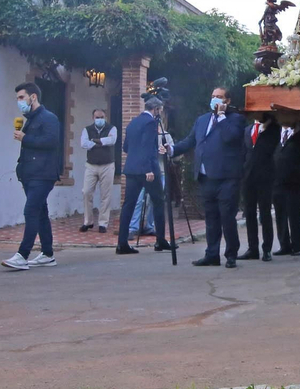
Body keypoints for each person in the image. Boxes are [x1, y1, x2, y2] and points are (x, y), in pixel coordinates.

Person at [165, 87, 247, 268]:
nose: (215, 100)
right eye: (213, 96)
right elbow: (190, 141)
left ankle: (231, 254)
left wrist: (222, 116)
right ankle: (212, 254)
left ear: (227, 101)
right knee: (211, 218)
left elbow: (231, 138)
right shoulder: (202, 120)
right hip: (206, 177)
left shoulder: (236, 119)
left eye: (219, 97)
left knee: (227, 218)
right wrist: (171, 150)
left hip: (227, 178)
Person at [2, 82, 60, 270]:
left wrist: (25, 138)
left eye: (21, 97)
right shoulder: (31, 119)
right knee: (41, 212)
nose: (19, 101)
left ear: (33, 97)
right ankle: (48, 254)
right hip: (30, 173)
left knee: (31, 211)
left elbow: (51, 141)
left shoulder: (48, 118)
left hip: (43, 174)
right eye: (17, 98)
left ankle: (22, 255)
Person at [117, 97, 173, 255]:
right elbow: (147, 146)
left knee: (128, 205)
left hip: (131, 169)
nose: (160, 113)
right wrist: (148, 169)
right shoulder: (151, 122)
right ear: (156, 109)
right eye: (160, 110)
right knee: (158, 202)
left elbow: (126, 147)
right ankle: (160, 240)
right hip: (147, 169)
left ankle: (122, 243)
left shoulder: (133, 122)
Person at [241, 113, 280, 261]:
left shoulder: (273, 129)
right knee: (249, 213)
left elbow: (268, 148)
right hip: (248, 176)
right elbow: (244, 152)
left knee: (265, 213)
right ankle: (253, 248)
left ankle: (267, 248)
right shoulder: (247, 129)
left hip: (265, 176)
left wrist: (264, 128)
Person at [272, 116, 300, 256]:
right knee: (280, 214)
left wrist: (299, 126)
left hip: (295, 181)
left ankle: (298, 244)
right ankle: (284, 245)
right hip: (277, 180)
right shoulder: (275, 134)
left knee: (294, 214)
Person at [78, 108, 117, 234]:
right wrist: (101, 142)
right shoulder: (87, 129)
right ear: (93, 118)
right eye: (97, 117)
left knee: (106, 195)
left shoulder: (112, 128)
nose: (99, 119)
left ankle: (103, 223)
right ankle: (88, 221)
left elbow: (112, 140)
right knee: (86, 192)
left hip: (107, 165)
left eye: (101, 117)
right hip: (91, 165)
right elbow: (83, 144)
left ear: (105, 117)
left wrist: (95, 141)